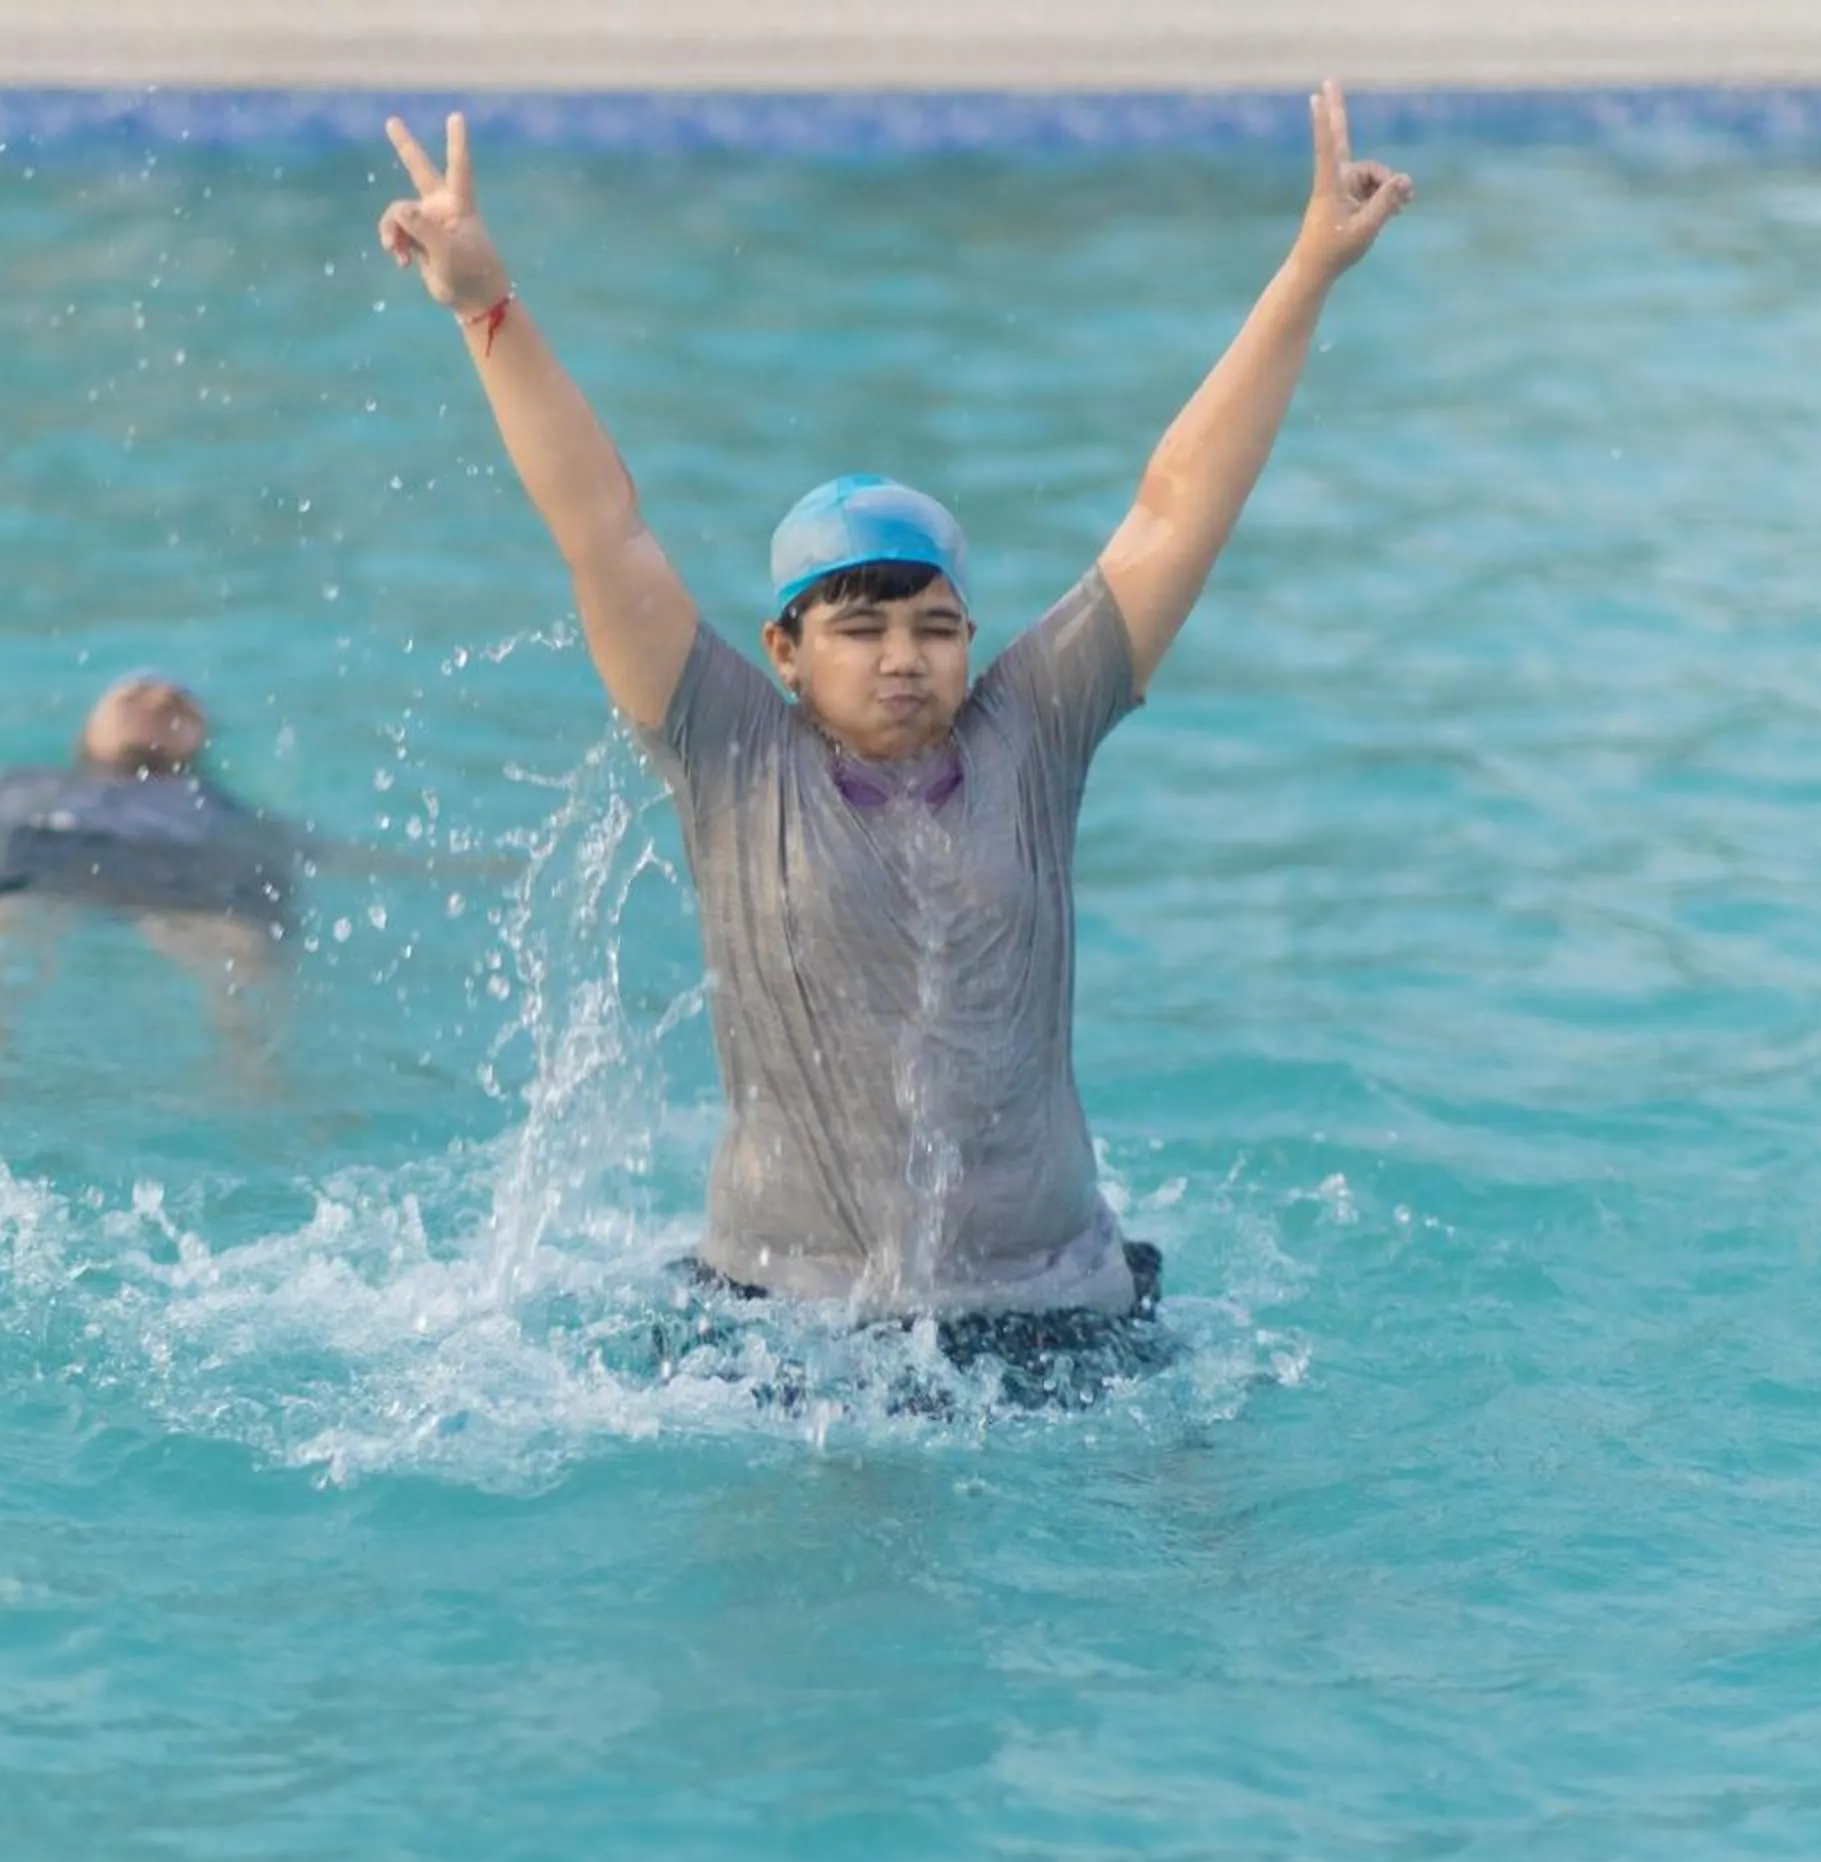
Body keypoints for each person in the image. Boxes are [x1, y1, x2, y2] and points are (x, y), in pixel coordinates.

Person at [373, 88, 1411, 1390]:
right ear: (785, 650)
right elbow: (602, 526)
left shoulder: (1035, 730)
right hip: (780, 1310)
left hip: (1055, 1296)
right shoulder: (730, 753)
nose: (904, 659)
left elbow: (1174, 507)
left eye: (935, 626)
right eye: (860, 629)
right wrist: (487, 308)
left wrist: (1309, 271)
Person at [0, 675, 311, 1090]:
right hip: (173, 864)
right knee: (239, 957)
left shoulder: (21, 782)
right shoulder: (210, 803)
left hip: (39, 847)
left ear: (89, 737)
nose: (155, 699)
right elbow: (292, 848)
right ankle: (253, 1073)